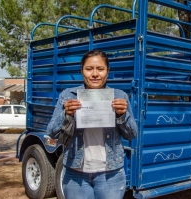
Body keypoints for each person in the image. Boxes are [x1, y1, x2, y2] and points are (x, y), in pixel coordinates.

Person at [47, 49, 138, 199]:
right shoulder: (67, 96)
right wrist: (66, 114)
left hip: (111, 174)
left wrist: (122, 115)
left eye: (100, 69)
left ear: (107, 71)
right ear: (81, 71)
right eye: (89, 69)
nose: (95, 74)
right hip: (75, 173)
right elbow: (52, 133)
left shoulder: (119, 96)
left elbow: (132, 134)